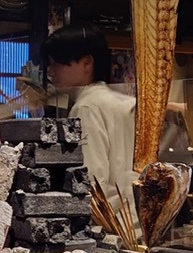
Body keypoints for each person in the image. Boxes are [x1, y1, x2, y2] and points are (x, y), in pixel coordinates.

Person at [40, 21, 140, 233]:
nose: (50, 71)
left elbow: (91, 179)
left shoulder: (86, 107)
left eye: (58, 63)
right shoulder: (119, 101)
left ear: (86, 63)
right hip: (135, 222)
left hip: (110, 228)